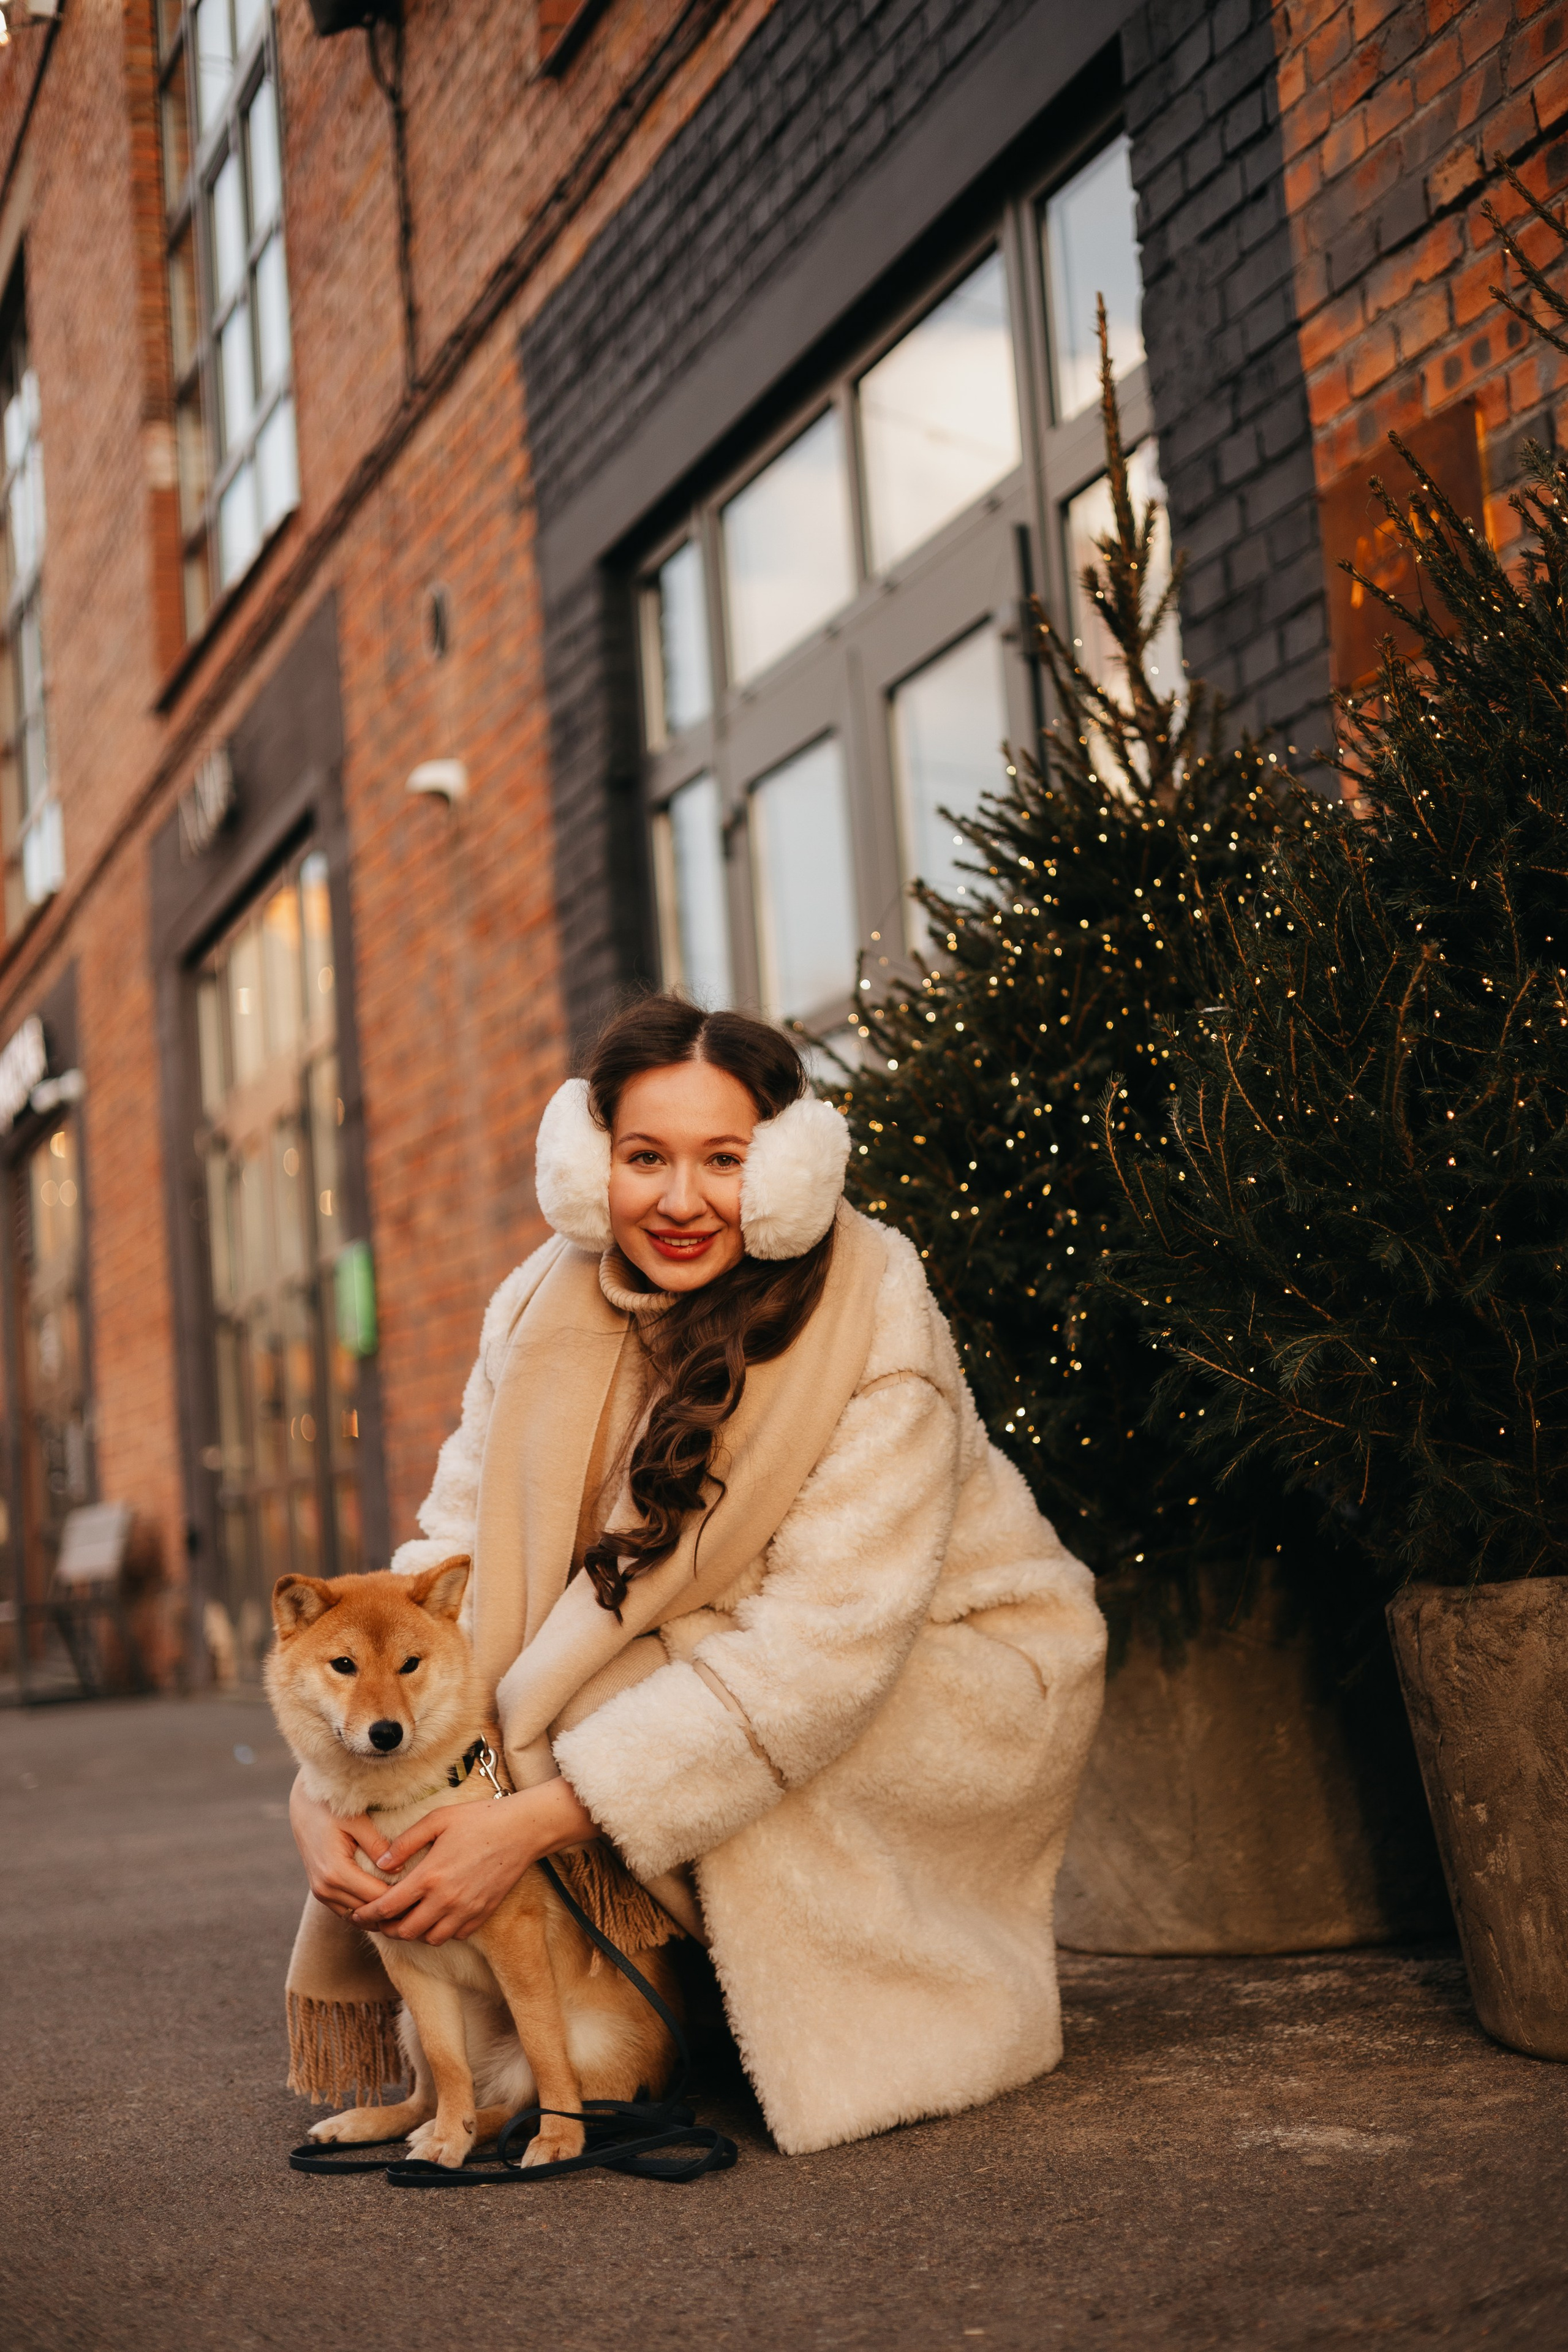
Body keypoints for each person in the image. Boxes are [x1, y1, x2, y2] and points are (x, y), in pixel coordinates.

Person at [284, 996, 1105, 2157]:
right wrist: (327, 1789)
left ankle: (779, 1996)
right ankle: (646, 1991)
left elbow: (826, 1651)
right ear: (588, 1163)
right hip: (706, 1651)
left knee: (596, 1694)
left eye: (723, 1160)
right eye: (643, 1158)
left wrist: (528, 1826)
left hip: (953, 1672)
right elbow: (449, 1564)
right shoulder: (539, 1297)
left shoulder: (872, 1308)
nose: (679, 1201)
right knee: (551, 1686)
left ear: (784, 1168)